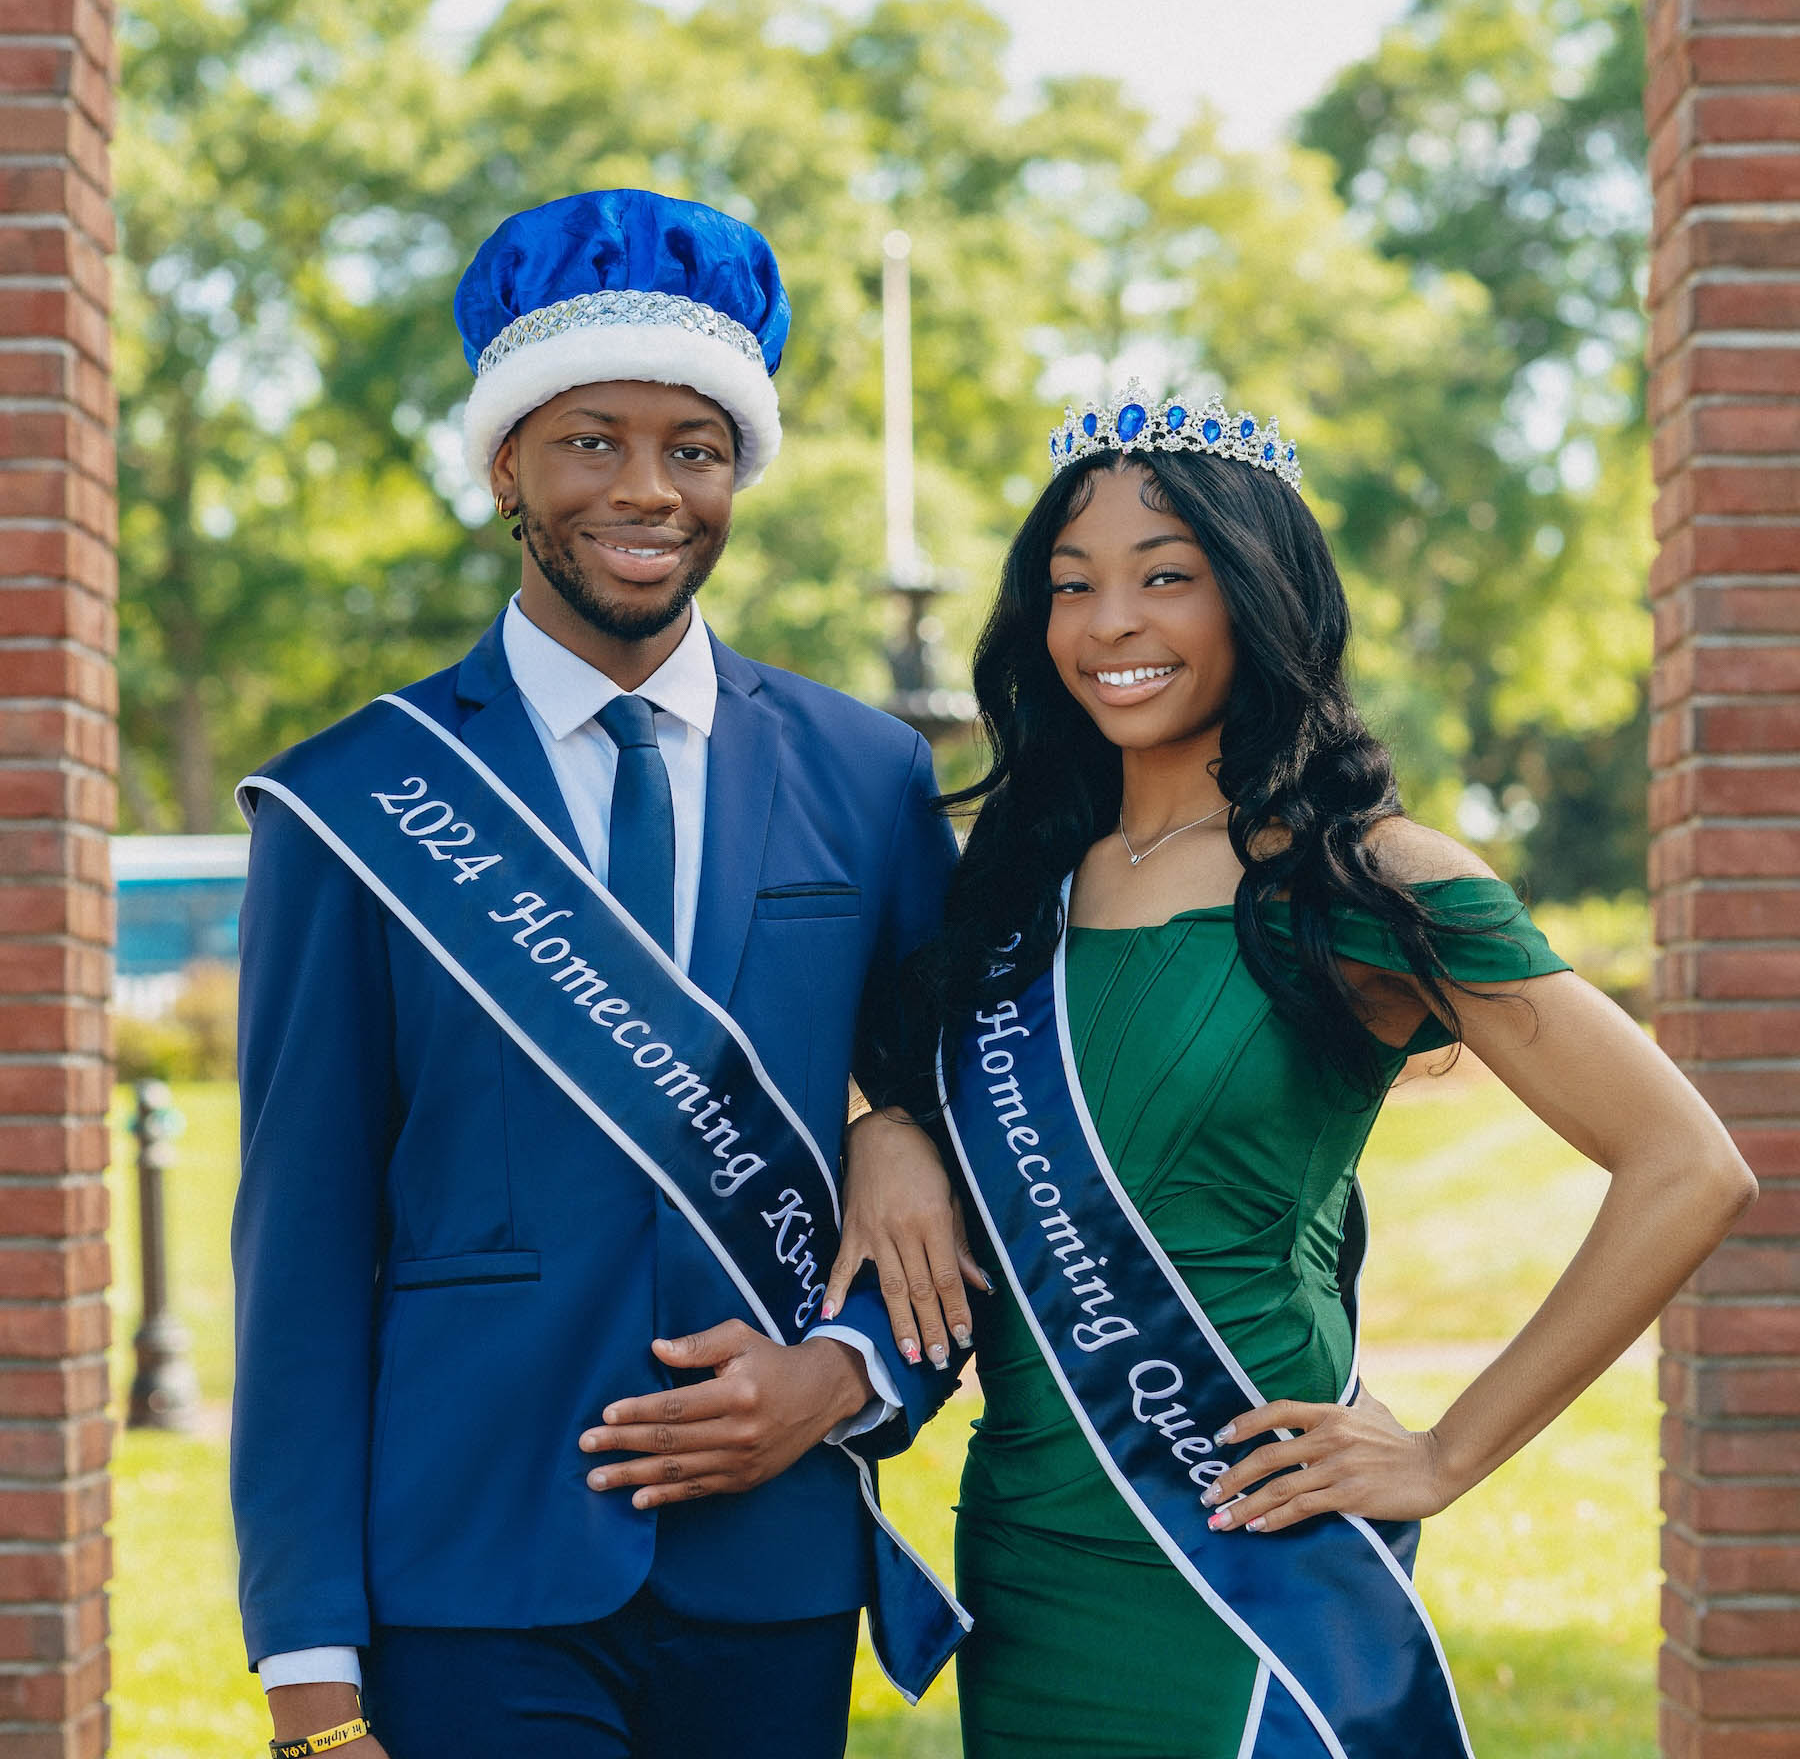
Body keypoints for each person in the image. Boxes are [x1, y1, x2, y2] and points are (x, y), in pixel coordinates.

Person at [824, 383, 1757, 1757]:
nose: (1111, 624)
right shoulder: (1008, 897)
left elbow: (1690, 1166)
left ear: (1258, 599)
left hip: (1251, 1542)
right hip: (1027, 1550)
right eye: (1071, 587)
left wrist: (1446, 1453)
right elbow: (888, 1091)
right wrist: (883, 1130)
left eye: (1167, 578)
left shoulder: (1363, 879)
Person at [230, 188, 976, 1759]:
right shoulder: (362, 800)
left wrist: (843, 1382)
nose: (647, 490)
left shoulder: (866, 773)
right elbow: (298, 1242)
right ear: (507, 463)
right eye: (592, 441)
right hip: (467, 1575)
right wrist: (307, 1673)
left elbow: (971, 1145)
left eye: (692, 449)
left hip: (769, 1575)